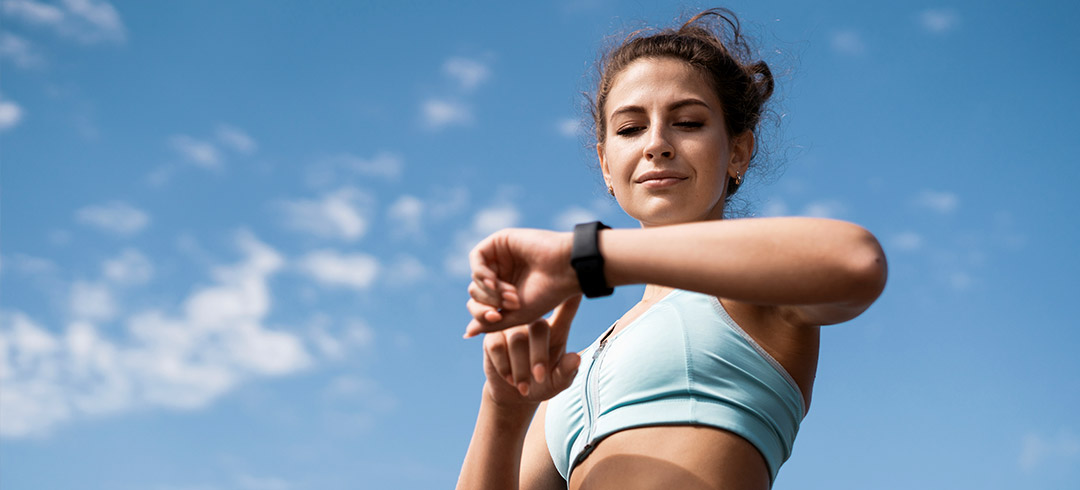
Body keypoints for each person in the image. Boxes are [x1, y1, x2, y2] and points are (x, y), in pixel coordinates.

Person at [456, 8, 887, 490]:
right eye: (629, 129)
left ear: (739, 152)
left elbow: (856, 261)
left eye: (687, 122)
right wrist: (504, 405)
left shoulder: (754, 291)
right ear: (605, 164)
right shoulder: (571, 373)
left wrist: (584, 259)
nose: (656, 144)